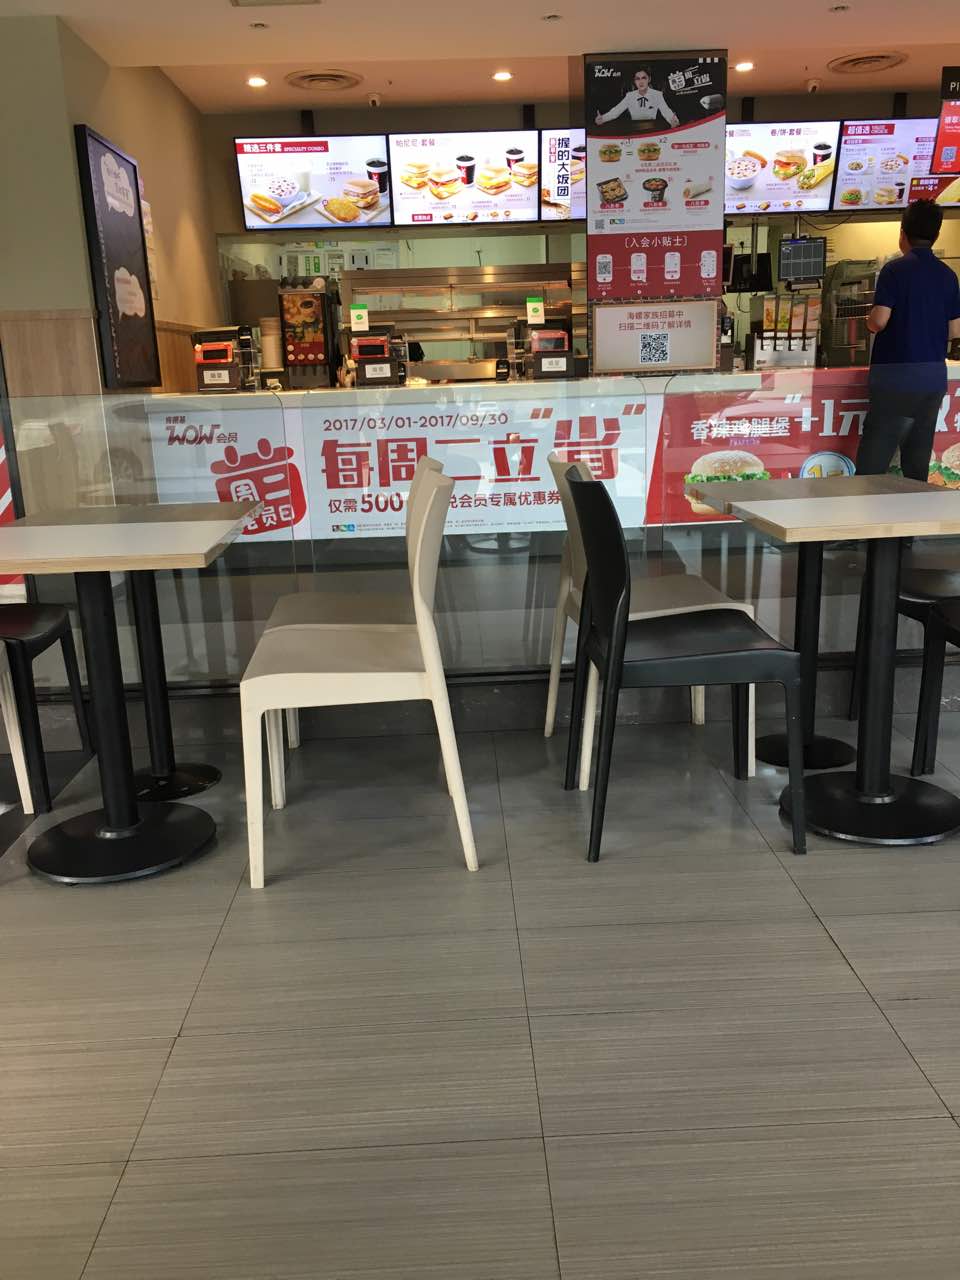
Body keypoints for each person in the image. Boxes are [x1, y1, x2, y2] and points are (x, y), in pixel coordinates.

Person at [855, 200, 960, 481]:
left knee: (872, 467)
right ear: (936, 234)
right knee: (916, 465)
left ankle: (865, 509)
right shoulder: (948, 276)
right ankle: (916, 508)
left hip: (896, 378)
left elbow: (879, 321)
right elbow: (955, 330)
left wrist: (868, 322)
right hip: (932, 379)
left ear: (902, 233)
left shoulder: (894, 271)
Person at [594, 67, 680, 130]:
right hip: (633, 129)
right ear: (634, 81)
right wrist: (603, 119)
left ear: (649, 79)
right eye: (637, 79)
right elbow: (616, 111)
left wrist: (674, 120)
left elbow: (666, 111)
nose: (641, 82)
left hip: (653, 128)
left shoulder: (657, 95)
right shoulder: (630, 96)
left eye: (644, 78)